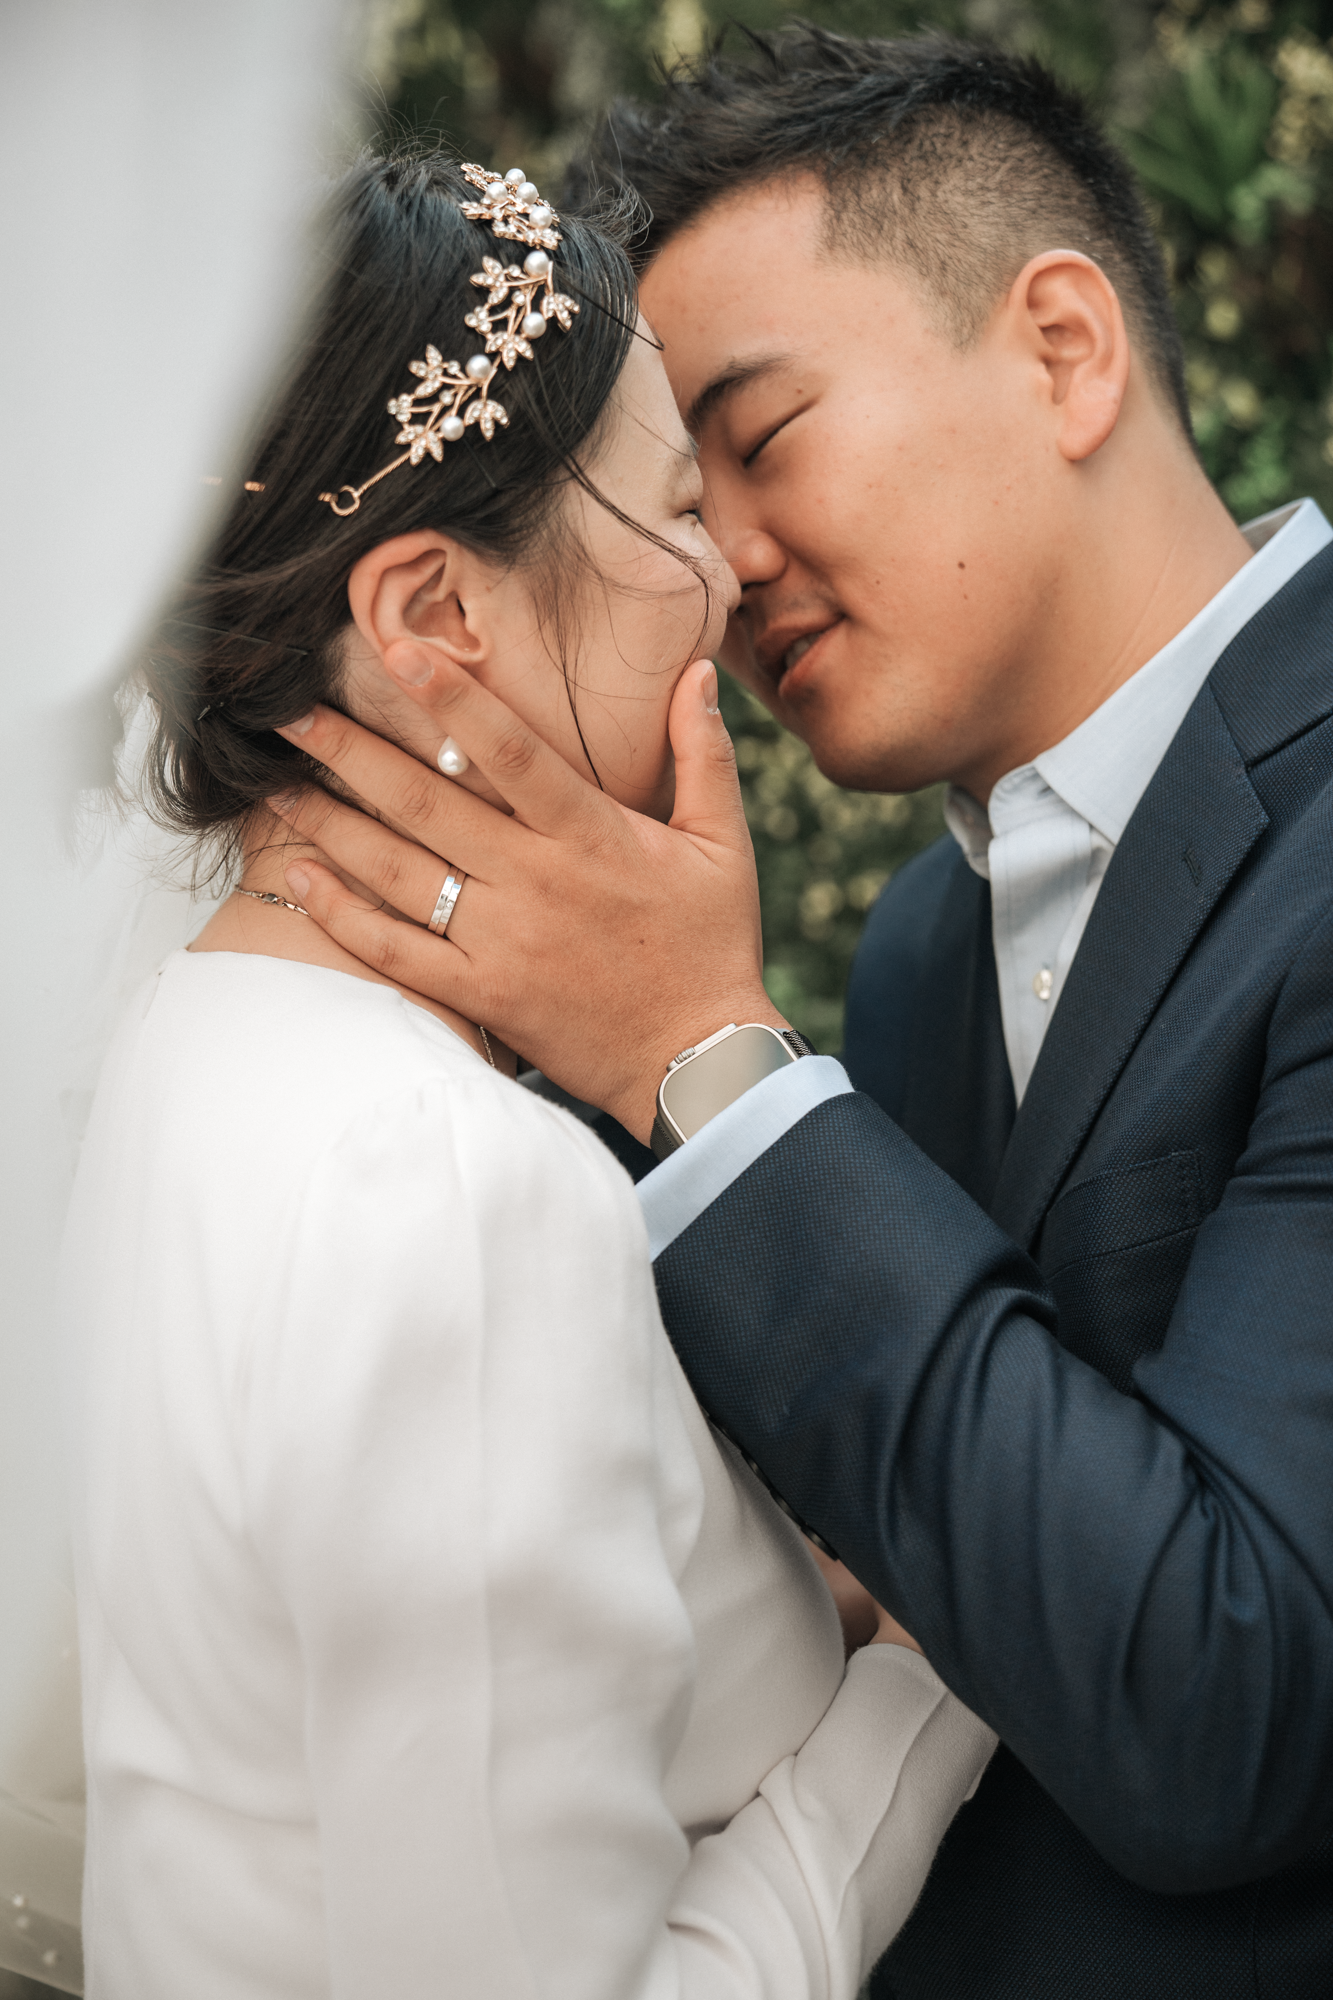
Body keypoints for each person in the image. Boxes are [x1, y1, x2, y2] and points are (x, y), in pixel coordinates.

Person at [264, 30, 1333, 2000]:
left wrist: (717, 1060)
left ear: (1066, 348)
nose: (722, 569)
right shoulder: (928, 947)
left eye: (762, 440)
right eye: (680, 495)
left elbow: (1232, 1698)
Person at [61, 149, 995, 2000]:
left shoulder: (188, 1052)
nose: (730, 573)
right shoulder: (443, 1182)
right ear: (431, 619)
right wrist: (931, 1679)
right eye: (667, 504)